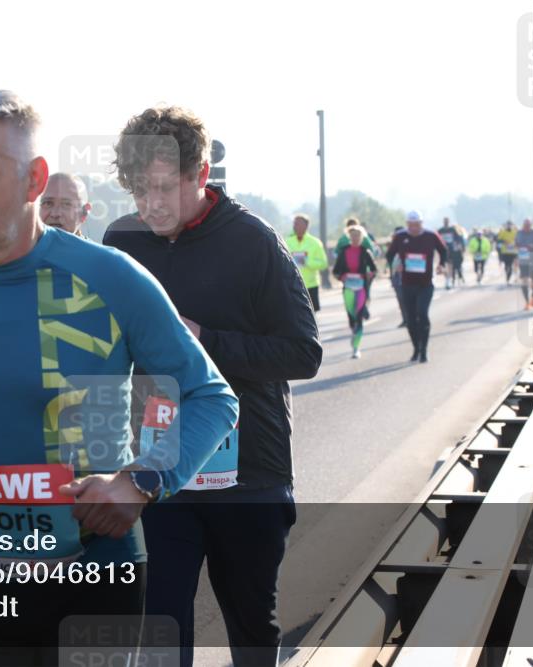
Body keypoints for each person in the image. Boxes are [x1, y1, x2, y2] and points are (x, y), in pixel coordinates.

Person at [0, 91, 239, 666]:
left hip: (97, 572)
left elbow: (210, 397)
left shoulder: (111, 276)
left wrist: (141, 481)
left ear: (34, 181)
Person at [104, 104, 322, 667]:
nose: (149, 205)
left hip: (248, 476)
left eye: (162, 188)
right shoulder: (121, 243)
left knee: (251, 630)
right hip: (160, 474)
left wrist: (204, 341)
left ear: (201, 175)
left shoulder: (252, 242)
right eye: (137, 191)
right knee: (159, 630)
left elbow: (304, 352)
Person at [386, 211, 448, 363]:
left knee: (422, 313)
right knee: (411, 319)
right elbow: (389, 254)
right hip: (407, 283)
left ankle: (424, 350)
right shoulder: (400, 237)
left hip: (426, 284)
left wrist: (441, 264)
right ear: (407, 224)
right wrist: (396, 266)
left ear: (421, 224)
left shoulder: (431, 235)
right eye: (411, 225)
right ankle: (416, 348)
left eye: (417, 225)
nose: (414, 228)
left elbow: (443, 250)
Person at [333, 226, 377, 358]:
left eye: (358, 236)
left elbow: (374, 270)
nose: (355, 238)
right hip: (348, 288)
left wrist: (369, 275)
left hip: (361, 288)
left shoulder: (365, 252)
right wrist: (342, 277)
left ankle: (356, 348)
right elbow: (336, 271)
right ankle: (354, 333)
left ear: (362, 237)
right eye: (353, 236)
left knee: (359, 317)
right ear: (349, 237)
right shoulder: (344, 252)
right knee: (351, 317)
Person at [284, 213, 328, 312]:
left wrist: (307, 261)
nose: (295, 226)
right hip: (292, 284)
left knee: (311, 314)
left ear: (306, 226)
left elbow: (323, 263)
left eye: (298, 223)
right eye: (294, 224)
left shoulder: (315, 242)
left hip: (311, 285)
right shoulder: (286, 241)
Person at [40, 172, 91, 237]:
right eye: (48, 203)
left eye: (66, 204)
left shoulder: (90, 247)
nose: (55, 214)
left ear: (84, 213)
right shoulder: (25, 246)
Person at [516, 218, 533, 310]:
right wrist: (521, 247)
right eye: (525, 226)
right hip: (523, 260)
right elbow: (516, 244)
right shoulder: (519, 233)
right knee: (524, 281)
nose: (527, 227)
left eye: (528, 226)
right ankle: (527, 301)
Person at [390, 225, 408, 327]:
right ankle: (405, 319)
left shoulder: (410, 245)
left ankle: (412, 318)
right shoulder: (393, 248)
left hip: (408, 278)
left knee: (409, 299)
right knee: (401, 299)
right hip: (396, 277)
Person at [437, 217, 458, 289]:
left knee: (450, 265)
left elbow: (457, 238)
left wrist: (458, 246)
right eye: (445, 221)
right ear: (443, 222)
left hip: (451, 250)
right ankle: (447, 279)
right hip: (442, 250)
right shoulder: (440, 230)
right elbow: (436, 240)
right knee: (443, 265)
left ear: (449, 222)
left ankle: (449, 279)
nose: (446, 222)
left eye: (447, 221)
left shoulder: (452, 229)